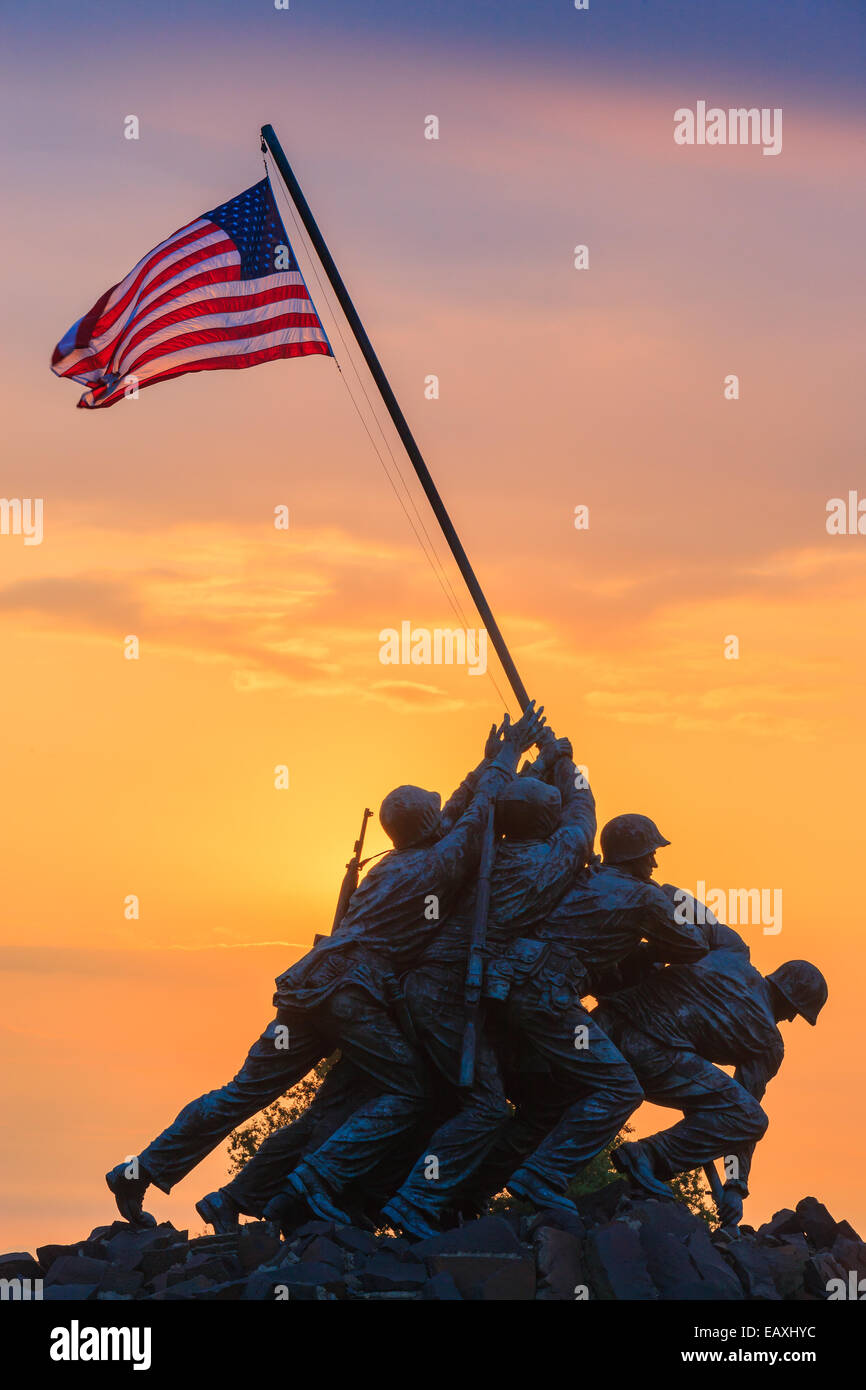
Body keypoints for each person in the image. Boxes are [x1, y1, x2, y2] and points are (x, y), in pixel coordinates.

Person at [105, 704, 546, 1226]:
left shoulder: (397, 862)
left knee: (242, 1091)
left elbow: (455, 815)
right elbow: (472, 823)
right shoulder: (435, 865)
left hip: (308, 984)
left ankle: (139, 1170)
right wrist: (510, 757)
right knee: (408, 1091)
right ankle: (311, 1183)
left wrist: (487, 763)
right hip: (350, 994)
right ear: (427, 827)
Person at [467, 812, 709, 1212]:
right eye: (651, 854)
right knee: (621, 1089)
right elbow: (692, 946)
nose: (655, 864)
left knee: (547, 1100)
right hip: (548, 996)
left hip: (509, 985)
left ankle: (467, 1190)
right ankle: (541, 1177)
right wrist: (665, 917)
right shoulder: (645, 897)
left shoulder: (582, 878)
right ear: (635, 856)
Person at [595, 952, 828, 1225]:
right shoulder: (768, 1041)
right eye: (795, 1012)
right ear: (789, 1000)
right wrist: (734, 1185)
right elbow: (742, 1118)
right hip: (647, 1053)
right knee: (750, 1118)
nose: (790, 1019)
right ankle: (648, 1154)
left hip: (601, 1025)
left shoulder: (730, 955)